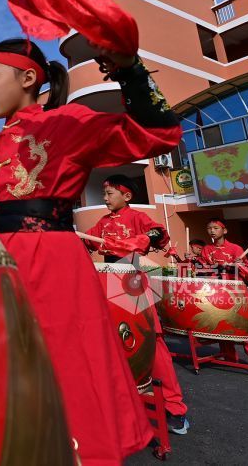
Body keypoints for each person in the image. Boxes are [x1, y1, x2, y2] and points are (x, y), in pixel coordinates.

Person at [0, 37, 181, 464]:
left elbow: (157, 135)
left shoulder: (67, 123)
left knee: (62, 362)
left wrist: (130, 70)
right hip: (0, 259)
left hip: (51, 260)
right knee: (3, 366)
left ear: (28, 78)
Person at [83, 175, 191, 435]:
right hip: (106, 279)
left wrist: (144, 238)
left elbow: (159, 233)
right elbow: (87, 241)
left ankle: (174, 407)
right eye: (104, 194)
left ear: (127, 196)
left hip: (132, 280)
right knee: (106, 339)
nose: (106, 198)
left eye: (110, 193)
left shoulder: (137, 217)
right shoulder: (103, 223)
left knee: (151, 341)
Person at [203, 219, 248, 368]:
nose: (212, 231)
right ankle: (228, 355)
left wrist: (239, 265)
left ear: (224, 231)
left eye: (216, 228)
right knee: (222, 322)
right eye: (209, 228)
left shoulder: (235, 248)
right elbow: (205, 268)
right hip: (218, 291)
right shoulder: (207, 249)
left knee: (245, 323)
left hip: (237, 291)